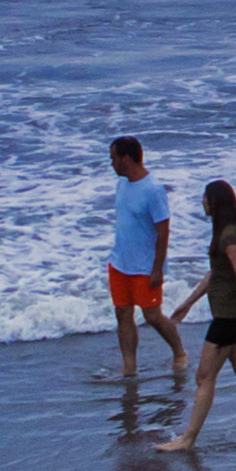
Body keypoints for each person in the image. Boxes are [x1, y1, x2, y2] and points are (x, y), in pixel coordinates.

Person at [155, 177, 236, 453]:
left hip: (228, 319)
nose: (202, 202)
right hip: (233, 314)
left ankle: (188, 438)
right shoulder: (226, 232)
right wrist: (188, 302)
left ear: (215, 203)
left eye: (205, 198)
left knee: (204, 377)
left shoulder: (230, 236)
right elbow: (217, 273)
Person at [103, 135, 184, 399]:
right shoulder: (121, 184)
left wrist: (157, 269)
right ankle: (129, 368)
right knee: (122, 314)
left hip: (144, 267)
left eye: (113, 158)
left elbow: (163, 232)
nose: (111, 163)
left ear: (126, 159)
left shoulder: (153, 189)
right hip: (120, 263)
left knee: (152, 316)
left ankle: (179, 353)